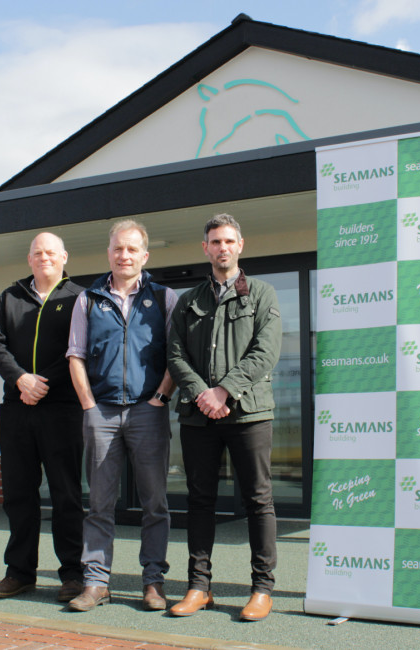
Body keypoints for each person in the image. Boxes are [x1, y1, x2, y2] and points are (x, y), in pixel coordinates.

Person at [167, 214, 282, 621]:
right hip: (200, 418)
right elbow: (175, 354)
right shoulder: (189, 301)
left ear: (240, 245)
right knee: (199, 501)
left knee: (258, 500)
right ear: (205, 248)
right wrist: (202, 394)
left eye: (229, 241)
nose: (222, 248)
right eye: (215, 241)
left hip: (249, 415)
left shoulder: (263, 294)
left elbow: (265, 352)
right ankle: (199, 587)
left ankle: (261, 589)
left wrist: (224, 390)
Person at [65, 219, 177, 612]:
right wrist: (89, 406)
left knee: (155, 504)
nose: (123, 255)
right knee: (99, 503)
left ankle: (153, 582)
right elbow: (75, 355)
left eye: (132, 249)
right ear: (108, 252)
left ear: (144, 255)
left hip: (149, 411)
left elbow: (175, 357)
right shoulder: (88, 299)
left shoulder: (165, 298)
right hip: (103, 413)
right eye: (117, 248)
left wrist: (161, 397)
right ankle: (96, 582)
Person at [0, 232, 85, 602]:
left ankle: (73, 574)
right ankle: (20, 572)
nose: (44, 257)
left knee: (66, 494)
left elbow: (83, 349)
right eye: (37, 253)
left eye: (50, 252)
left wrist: (44, 383)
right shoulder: (9, 298)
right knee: (18, 494)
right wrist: (21, 379)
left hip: (62, 409)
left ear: (64, 257)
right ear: (29, 259)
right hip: (16, 410)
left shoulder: (80, 299)